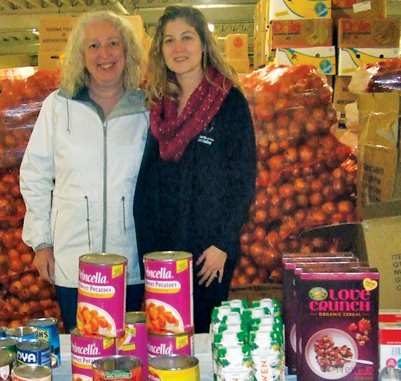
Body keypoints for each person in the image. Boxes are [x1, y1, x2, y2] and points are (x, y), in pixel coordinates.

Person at [20, 11, 148, 332]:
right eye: (93, 45)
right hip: (74, 260)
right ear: (81, 55)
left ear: (127, 51)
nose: (104, 54)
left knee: (126, 352)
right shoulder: (59, 106)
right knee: (84, 349)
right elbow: (35, 174)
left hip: (131, 259)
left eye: (113, 44)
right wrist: (41, 242)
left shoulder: (147, 108)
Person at [133, 5, 257, 333]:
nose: (178, 48)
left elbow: (243, 179)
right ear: (160, 51)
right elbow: (147, 185)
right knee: (165, 336)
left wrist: (223, 244)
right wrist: (148, 255)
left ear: (203, 43)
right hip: (164, 250)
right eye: (169, 40)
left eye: (186, 37)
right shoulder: (161, 106)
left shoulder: (229, 103)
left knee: (201, 335)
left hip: (209, 254)